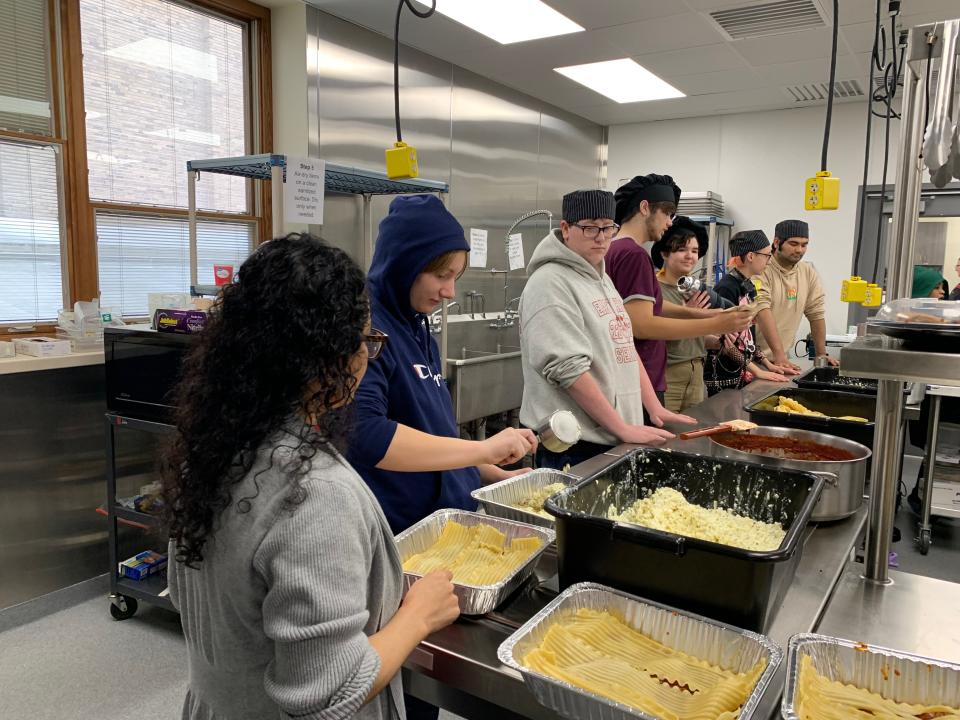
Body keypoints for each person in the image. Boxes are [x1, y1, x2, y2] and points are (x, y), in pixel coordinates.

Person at [161, 234, 460, 720]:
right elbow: (327, 691)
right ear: (330, 358)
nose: (369, 354)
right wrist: (417, 615)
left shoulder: (213, 450)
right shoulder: (315, 495)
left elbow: (193, 598)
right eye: (366, 340)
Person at [347, 195, 536, 720]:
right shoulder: (370, 327)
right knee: (408, 684)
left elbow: (431, 427)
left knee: (430, 677)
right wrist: (481, 446)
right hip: (400, 535)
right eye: (442, 276)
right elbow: (370, 436)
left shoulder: (417, 323)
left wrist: (487, 470)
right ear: (407, 263)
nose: (450, 291)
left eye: (457, 276)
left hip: (444, 529)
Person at [519, 189, 694, 469]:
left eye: (607, 228)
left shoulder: (602, 280)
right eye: (590, 228)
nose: (601, 237)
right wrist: (622, 428)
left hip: (614, 436)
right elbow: (569, 370)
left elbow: (622, 343)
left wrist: (653, 406)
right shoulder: (549, 282)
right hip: (575, 445)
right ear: (566, 229)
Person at [606, 175, 753, 409]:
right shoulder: (633, 254)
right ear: (645, 208)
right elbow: (642, 325)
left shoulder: (615, 248)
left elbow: (654, 307)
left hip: (637, 377)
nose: (669, 223)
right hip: (642, 377)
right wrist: (717, 325)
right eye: (667, 214)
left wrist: (710, 315)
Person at [704, 231, 790, 395]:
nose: (768, 261)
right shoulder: (727, 288)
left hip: (741, 371)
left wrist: (767, 364)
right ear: (751, 256)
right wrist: (757, 370)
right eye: (766, 255)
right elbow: (725, 343)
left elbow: (747, 336)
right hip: (723, 375)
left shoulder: (747, 285)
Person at [754, 219, 833, 371]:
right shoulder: (761, 269)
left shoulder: (807, 272)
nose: (799, 250)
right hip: (754, 359)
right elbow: (762, 310)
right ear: (777, 242)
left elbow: (816, 312)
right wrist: (779, 356)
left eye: (804, 245)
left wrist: (821, 354)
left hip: (782, 357)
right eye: (793, 243)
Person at [651, 217, 709, 411]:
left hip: (697, 373)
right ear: (665, 253)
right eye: (682, 249)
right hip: (668, 376)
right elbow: (651, 332)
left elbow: (693, 336)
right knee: (666, 435)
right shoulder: (654, 289)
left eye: (694, 251)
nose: (689, 256)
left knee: (694, 432)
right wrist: (688, 314)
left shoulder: (696, 289)